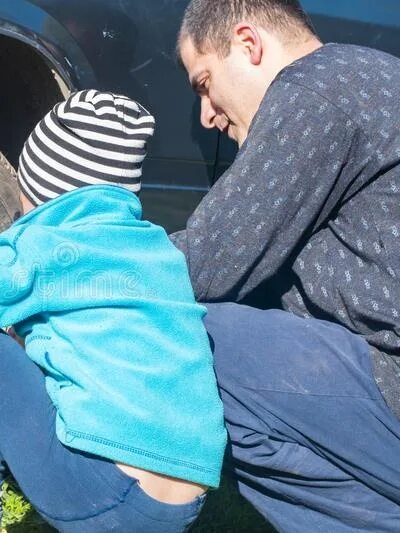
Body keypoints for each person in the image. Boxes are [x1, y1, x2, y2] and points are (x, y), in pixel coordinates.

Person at [0, 90, 227, 533]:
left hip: (105, 493)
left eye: (24, 194)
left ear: (47, 195)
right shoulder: (156, 251)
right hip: (180, 502)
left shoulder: (51, 246)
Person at [172, 0, 400, 530]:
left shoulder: (313, 88)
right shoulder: (372, 75)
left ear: (248, 44)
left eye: (204, 83)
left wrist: (75, 269)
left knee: (198, 340)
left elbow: (207, 262)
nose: (207, 114)